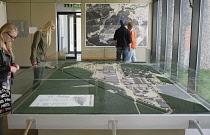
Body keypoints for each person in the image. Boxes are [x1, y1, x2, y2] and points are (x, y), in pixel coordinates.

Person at [0, 22, 19, 134]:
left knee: (2, 114)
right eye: (11, 37)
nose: (12, 40)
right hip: (1, 84)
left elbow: (6, 62)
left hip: (5, 84)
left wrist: (14, 65)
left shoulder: (6, 45)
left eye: (14, 38)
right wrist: (9, 68)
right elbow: (4, 66)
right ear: (3, 33)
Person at [30, 21, 55, 90]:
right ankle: (34, 91)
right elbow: (34, 46)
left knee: (40, 77)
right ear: (49, 28)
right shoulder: (39, 33)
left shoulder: (46, 35)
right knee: (37, 77)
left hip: (43, 58)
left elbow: (44, 49)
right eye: (52, 29)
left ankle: (37, 90)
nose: (52, 31)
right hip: (37, 59)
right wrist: (33, 60)